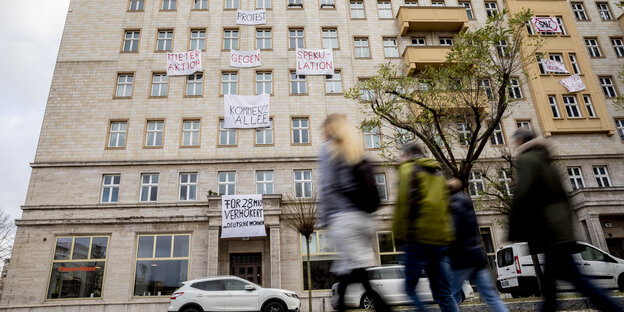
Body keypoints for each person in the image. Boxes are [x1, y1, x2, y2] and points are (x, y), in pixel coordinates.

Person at [508, 128, 623, 312]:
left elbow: (525, 194)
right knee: (551, 285)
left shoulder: (527, 160)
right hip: (557, 228)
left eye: (515, 141)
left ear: (521, 141)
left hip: (549, 230)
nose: (514, 145)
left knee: (576, 282)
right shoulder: (544, 160)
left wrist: (513, 227)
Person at [317, 113, 390, 312]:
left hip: (344, 218)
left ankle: (382, 307)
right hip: (365, 219)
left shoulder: (328, 148)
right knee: (353, 268)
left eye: (324, 128)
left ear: (329, 129)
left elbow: (326, 185)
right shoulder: (355, 147)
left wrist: (324, 219)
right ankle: (344, 304)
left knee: (352, 269)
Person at [392, 142, 458, 312]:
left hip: (418, 238)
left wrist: (399, 235)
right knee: (444, 293)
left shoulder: (408, 169)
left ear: (407, 155)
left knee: (409, 289)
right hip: (440, 239)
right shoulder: (437, 172)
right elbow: (446, 204)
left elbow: (404, 205)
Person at [447, 178, 508, 312]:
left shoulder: (453, 206)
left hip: (461, 259)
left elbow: (453, 233)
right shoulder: (467, 202)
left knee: (449, 295)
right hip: (476, 256)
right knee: (491, 296)